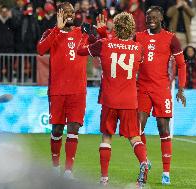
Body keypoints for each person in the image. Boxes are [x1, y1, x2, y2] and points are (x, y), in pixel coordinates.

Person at [77, 13, 149, 188]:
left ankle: (104, 179)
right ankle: (144, 161)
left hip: (110, 98)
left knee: (107, 137)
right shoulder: (139, 47)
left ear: (115, 28)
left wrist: (87, 35)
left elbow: (80, 50)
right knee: (134, 137)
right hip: (130, 99)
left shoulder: (104, 44)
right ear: (132, 29)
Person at [135, 6, 186, 185]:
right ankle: (144, 163)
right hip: (141, 88)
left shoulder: (171, 39)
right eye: (149, 17)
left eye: (154, 17)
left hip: (161, 89)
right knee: (136, 129)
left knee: (163, 129)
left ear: (161, 18)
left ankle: (166, 173)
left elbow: (181, 64)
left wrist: (181, 88)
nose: (151, 20)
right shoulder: (138, 36)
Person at [37, 2, 88, 179]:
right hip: (58, 90)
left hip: (78, 91)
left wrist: (103, 32)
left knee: (74, 128)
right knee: (57, 130)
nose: (69, 15)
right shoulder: (50, 32)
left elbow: (99, 46)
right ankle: (55, 167)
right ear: (58, 14)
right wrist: (56, 30)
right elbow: (41, 50)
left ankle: (68, 171)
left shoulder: (83, 33)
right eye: (65, 12)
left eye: (72, 12)